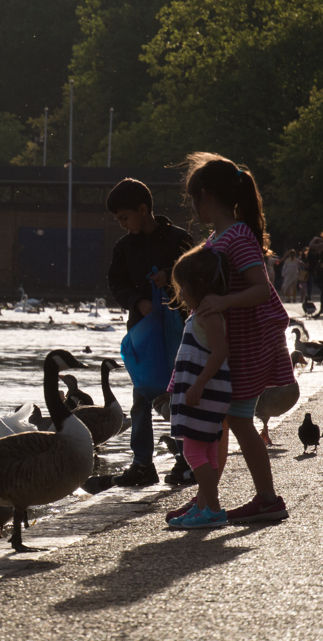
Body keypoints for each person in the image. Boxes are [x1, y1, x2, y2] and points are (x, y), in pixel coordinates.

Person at [175, 152, 293, 523]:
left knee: (238, 422)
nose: (194, 209)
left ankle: (267, 499)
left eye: (195, 200)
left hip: (245, 344)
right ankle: (205, 500)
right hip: (233, 345)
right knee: (222, 422)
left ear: (207, 197)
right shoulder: (221, 236)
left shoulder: (237, 236)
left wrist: (224, 300)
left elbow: (262, 288)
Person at [107, 178, 195, 488]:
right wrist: (137, 301)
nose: (123, 226)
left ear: (144, 210)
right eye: (119, 220)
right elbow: (116, 283)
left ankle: (188, 458)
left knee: (181, 392)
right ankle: (142, 463)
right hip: (143, 331)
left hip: (180, 329)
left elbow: (198, 277)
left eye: (125, 218)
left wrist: (171, 279)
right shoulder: (123, 248)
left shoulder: (179, 240)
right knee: (141, 396)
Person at [166, 246, 232, 528]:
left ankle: (213, 510)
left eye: (183, 288)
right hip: (201, 393)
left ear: (200, 285)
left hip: (204, 394)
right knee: (206, 452)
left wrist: (197, 386)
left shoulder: (208, 315)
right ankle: (205, 507)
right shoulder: (199, 314)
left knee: (193, 453)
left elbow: (219, 352)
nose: (179, 294)